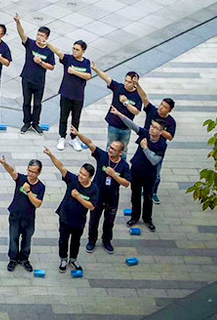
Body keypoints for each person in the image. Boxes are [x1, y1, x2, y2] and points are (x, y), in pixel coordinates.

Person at [72, 126, 129, 254]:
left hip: (112, 198)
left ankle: (106, 240)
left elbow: (126, 183)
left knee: (109, 222)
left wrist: (114, 175)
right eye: (110, 147)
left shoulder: (124, 166)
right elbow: (90, 143)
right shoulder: (103, 156)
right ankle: (91, 240)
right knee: (93, 221)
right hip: (97, 197)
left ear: (120, 153)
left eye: (114, 149)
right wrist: (78, 134)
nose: (110, 150)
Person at [43, 147, 98, 273]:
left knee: (76, 241)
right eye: (80, 173)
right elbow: (61, 167)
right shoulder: (73, 179)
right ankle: (63, 258)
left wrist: (78, 197)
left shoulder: (94, 189)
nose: (80, 176)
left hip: (79, 220)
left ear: (90, 177)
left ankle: (73, 259)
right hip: (65, 217)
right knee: (63, 239)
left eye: (84, 175)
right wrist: (51, 155)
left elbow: (92, 206)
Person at [125, 85, 175, 204]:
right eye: (161, 105)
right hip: (144, 143)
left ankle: (153, 192)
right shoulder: (152, 110)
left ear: (169, 110)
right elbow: (144, 97)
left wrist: (160, 130)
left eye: (165, 107)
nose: (161, 108)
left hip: (157, 148)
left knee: (156, 172)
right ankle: (137, 188)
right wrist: (137, 84)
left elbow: (170, 137)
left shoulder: (171, 122)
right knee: (138, 165)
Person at [117, 112, 166, 231]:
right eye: (152, 126)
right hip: (136, 170)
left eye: (156, 128)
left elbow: (154, 161)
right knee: (135, 195)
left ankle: (147, 219)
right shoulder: (145, 134)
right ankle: (135, 217)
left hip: (150, 174)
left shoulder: (162, 145)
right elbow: (133, 126)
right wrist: (120, 114)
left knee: (148, 197)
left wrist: (145, 148)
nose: (152, 129)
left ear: (161, 131)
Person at [0, 156, 44, 272]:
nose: (31, 174)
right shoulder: (21, 179)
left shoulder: (41, 187)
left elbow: (37, 204)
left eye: (34, 172)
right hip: (15, 216)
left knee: (27, 240)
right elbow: (12, 172)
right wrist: (5, 164)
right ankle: (13, 259)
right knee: (13, 238)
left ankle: (24, 259)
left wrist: (28, 191)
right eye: (29, 171)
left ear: (38, 173)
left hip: (29, 218)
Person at [13, 15, 55, 135]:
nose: (39, 37)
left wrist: (41, 62)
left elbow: (52, 67)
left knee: (37, 104)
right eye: (38, 34)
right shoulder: (31, 44)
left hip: (39, 81)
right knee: (26, 102)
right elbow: (22, 34)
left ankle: (36, 123)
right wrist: (18, 23)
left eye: (42, 36)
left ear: (47, 38)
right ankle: (26, 122)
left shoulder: (49, 51)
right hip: (27, 78)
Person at [47, 39, 93, 146]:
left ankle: (73, 138)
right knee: (63, 117)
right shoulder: (68, 59)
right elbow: (58, 52)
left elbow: (88, 76)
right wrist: (48, 44)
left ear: (83, 51)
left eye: (77, 49)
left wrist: (74, 72)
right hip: (66, 94)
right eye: (74, 49)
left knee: (76, 119)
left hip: (78, 96)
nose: (74, 51)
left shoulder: (86, 62)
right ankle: (62, 137)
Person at [91, 64, 142, 154]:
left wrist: (126, 103)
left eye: (129, 82)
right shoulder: (119, 87)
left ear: (135, 83)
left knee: (123, 150)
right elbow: (107, 78)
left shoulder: (138, 95)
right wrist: (96, 70)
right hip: (114, 125)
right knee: (110, 147)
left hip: (126, 127)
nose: (126, 83)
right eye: (126, 81)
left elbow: (136, 111)